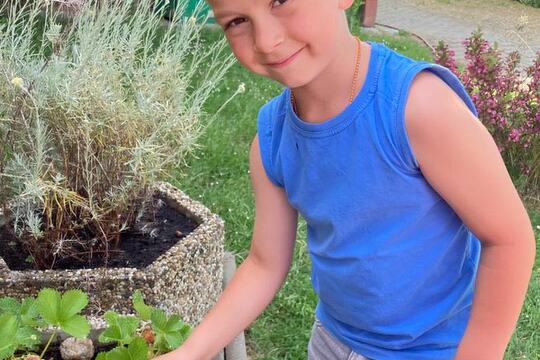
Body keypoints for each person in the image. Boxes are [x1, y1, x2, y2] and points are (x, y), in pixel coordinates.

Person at [156, 0, 536, 359]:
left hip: (433, 348)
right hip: (333, 340)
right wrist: (191, 351)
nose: (266, 40)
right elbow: (264, 264)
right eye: (237, 21)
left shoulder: (419, 107)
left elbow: (508, 240)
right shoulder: (271, 140)